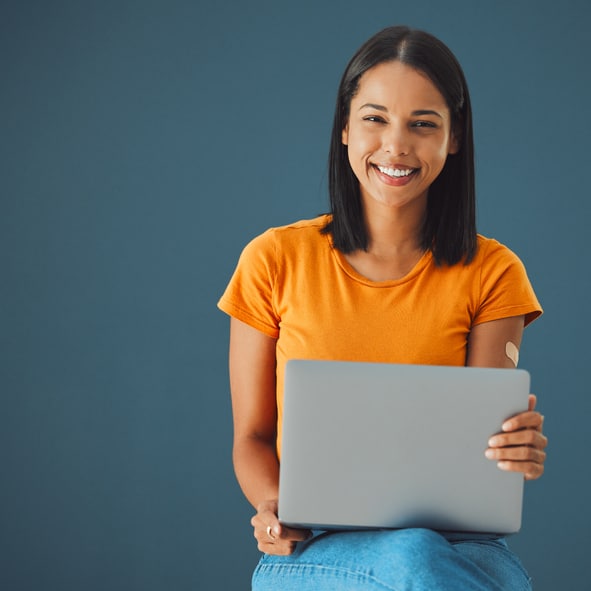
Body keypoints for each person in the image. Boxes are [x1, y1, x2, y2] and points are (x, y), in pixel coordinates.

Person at [217, 25, 548, 591]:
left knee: (420, 557)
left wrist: (515, 453)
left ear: (455, 137)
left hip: (460, 551)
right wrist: (273, 506)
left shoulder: (494, 272)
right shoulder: (274, 259)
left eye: (423, 124)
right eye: (375, 118)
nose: (396, 146)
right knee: (414, 563)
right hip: (317, 547)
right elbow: (251, 436)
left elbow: (477, 450)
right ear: (344, 127)